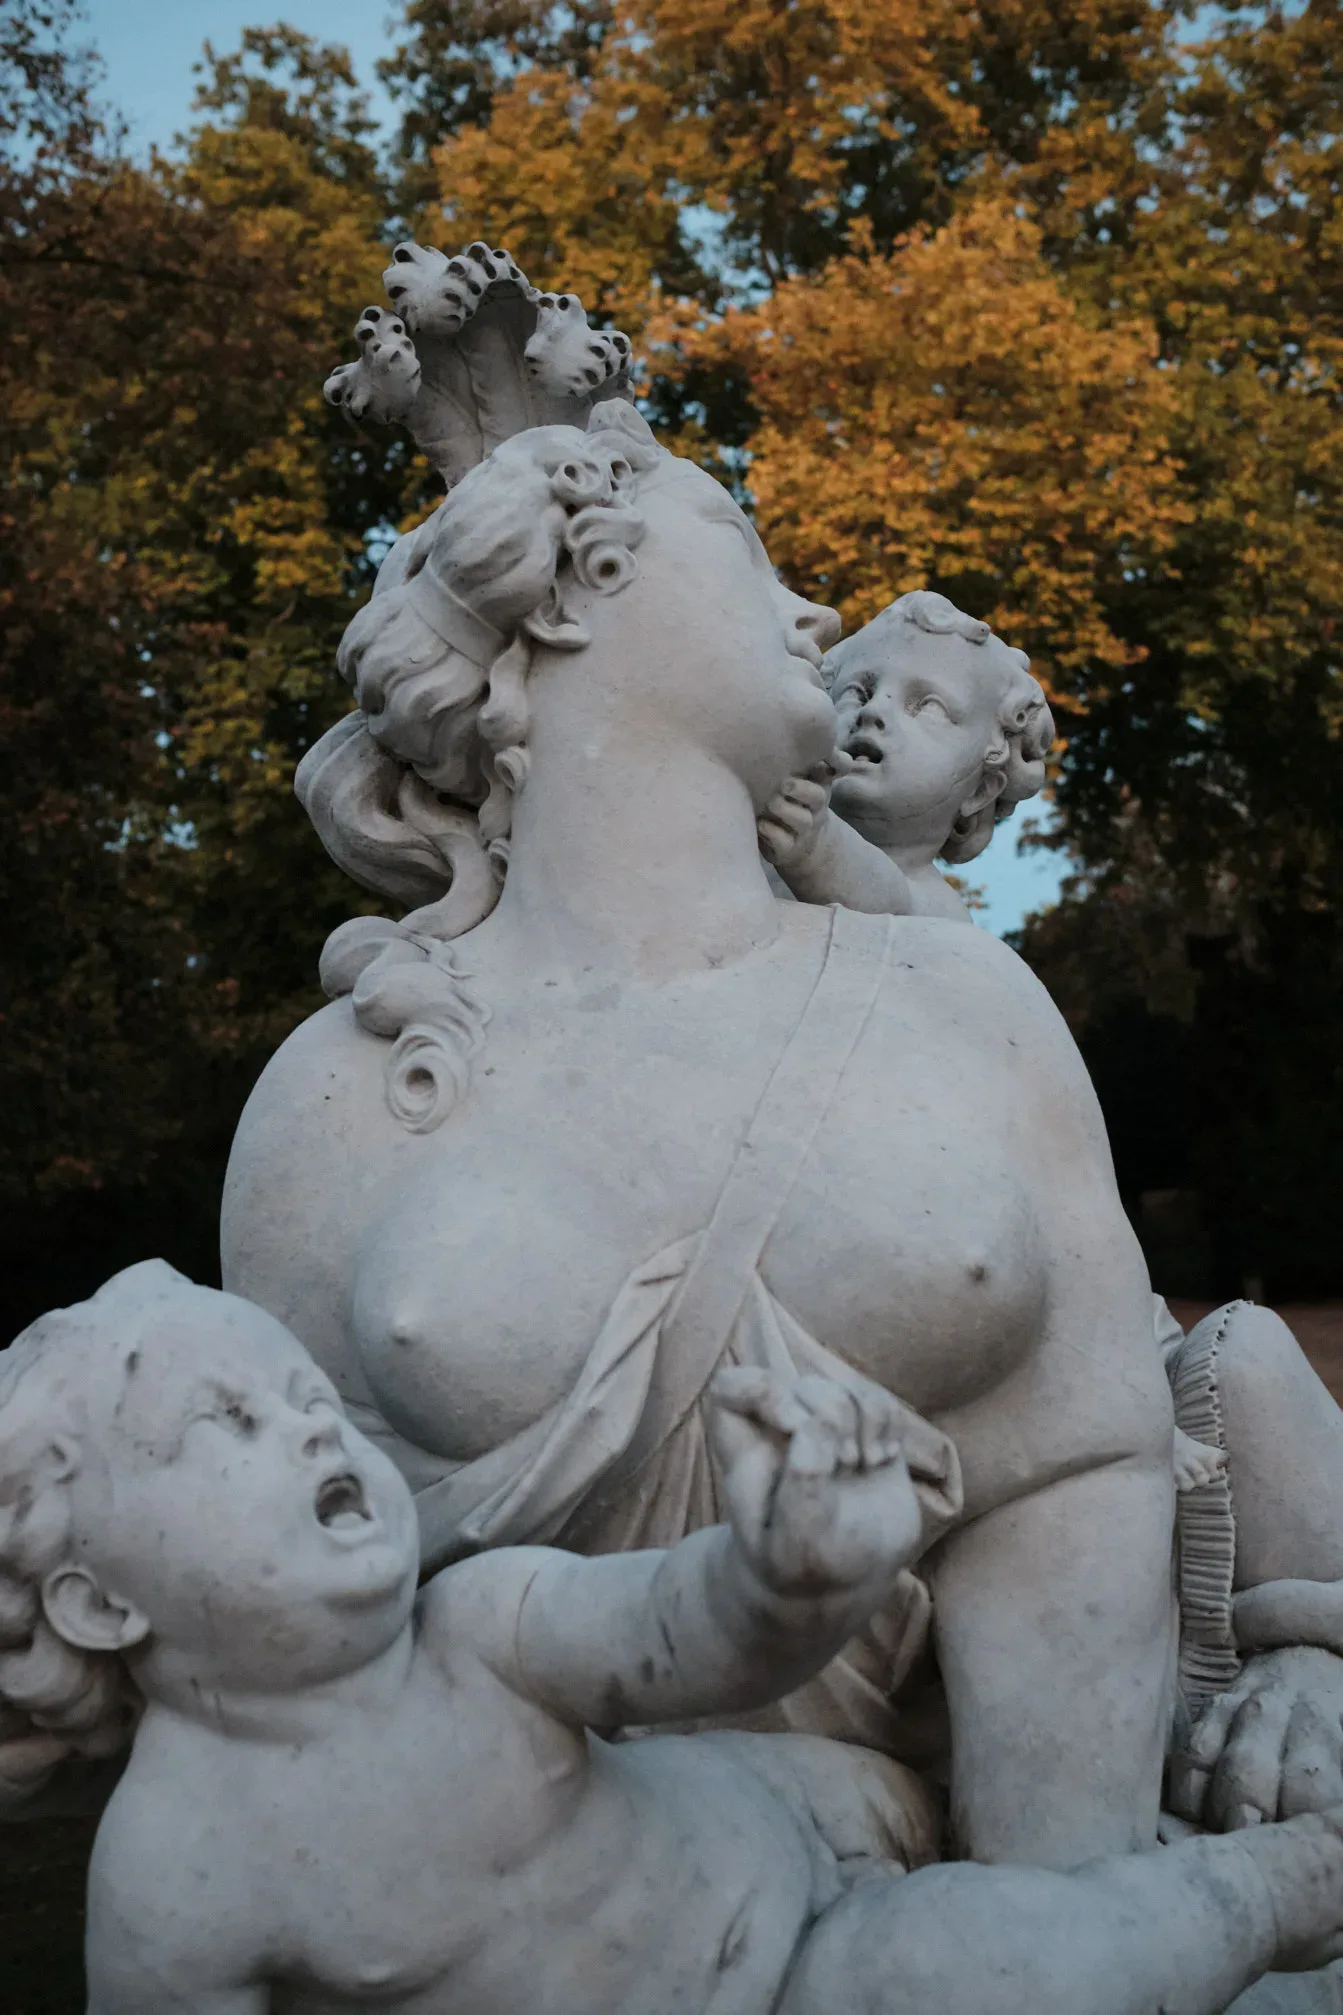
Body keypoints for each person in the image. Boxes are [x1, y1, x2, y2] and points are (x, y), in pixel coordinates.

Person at [217, 394, 1343, 1883]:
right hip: (546, 1908)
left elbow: (1071, 1464)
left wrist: (1049, 1920)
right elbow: (273, 1642)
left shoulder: (961, 1000)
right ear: (576, 591)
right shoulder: (336, 1087)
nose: (811, 606)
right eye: (740, 541)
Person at [7, 1262, 1343, 2015]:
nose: (307, 1422)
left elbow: (684, 1632)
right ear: (97, 1602)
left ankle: (1291, 1881)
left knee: (986, 1966)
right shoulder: (173, 1886)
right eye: (227, 1423)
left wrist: (793, 1558)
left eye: (303, 1393)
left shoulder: (476, 1622)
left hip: (806, 1903)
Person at [758, 589, 1053, 922]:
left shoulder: (939, 913)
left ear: (980, 792)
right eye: (857, 692)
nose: (874, 709)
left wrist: (817, 850)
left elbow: (894, 904)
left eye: (928, 706)